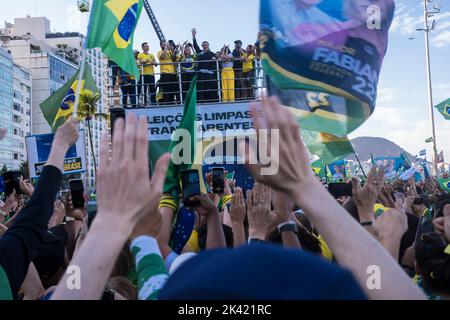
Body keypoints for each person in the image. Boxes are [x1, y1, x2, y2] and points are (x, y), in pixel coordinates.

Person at [192, 28, 218, 103]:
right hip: (201, 75)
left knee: (211, 90)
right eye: (203, 45)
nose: (205, 46)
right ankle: (201, 104)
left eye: (206, 44)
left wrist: (215, 59)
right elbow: (195, 46)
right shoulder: (200, 52)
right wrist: (193, 36)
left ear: (208, 45)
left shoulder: (212, 54)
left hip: (210, 75)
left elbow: (216, 64)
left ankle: (212, 103)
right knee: (201, 91)